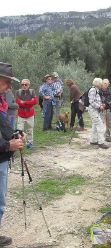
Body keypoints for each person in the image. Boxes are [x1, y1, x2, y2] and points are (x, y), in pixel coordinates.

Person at [0, 62, 25, 246]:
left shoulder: (1, 101)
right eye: (6, 81)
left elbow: (3, 127)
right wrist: (8, 145)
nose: (9, 86)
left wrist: (15, 133)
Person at [16, 79, 37, 149]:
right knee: (19, 130)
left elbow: (35, 101)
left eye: (26, 84)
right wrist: (29, 102)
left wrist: (24, 102)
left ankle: (30, 143)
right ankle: (19, 144)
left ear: (29, 85)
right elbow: (17, 102)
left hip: (30, 114)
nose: (24, 86)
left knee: (30, 130)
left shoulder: (32, 92)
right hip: (21, 114)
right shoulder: (18, 92)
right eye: (22, 84)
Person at [88, 78, 109, 149]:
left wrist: (101, 105)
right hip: (93, 111)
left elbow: (95, 100)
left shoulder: (96, 90)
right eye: (101, 83)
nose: (102, 84)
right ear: (98, 83)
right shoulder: (93, 90)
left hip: (95, 110)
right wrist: (99, 106)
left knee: (94, 125)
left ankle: (93, 140)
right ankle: (101, 142)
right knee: (100, 125)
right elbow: (91, 101)